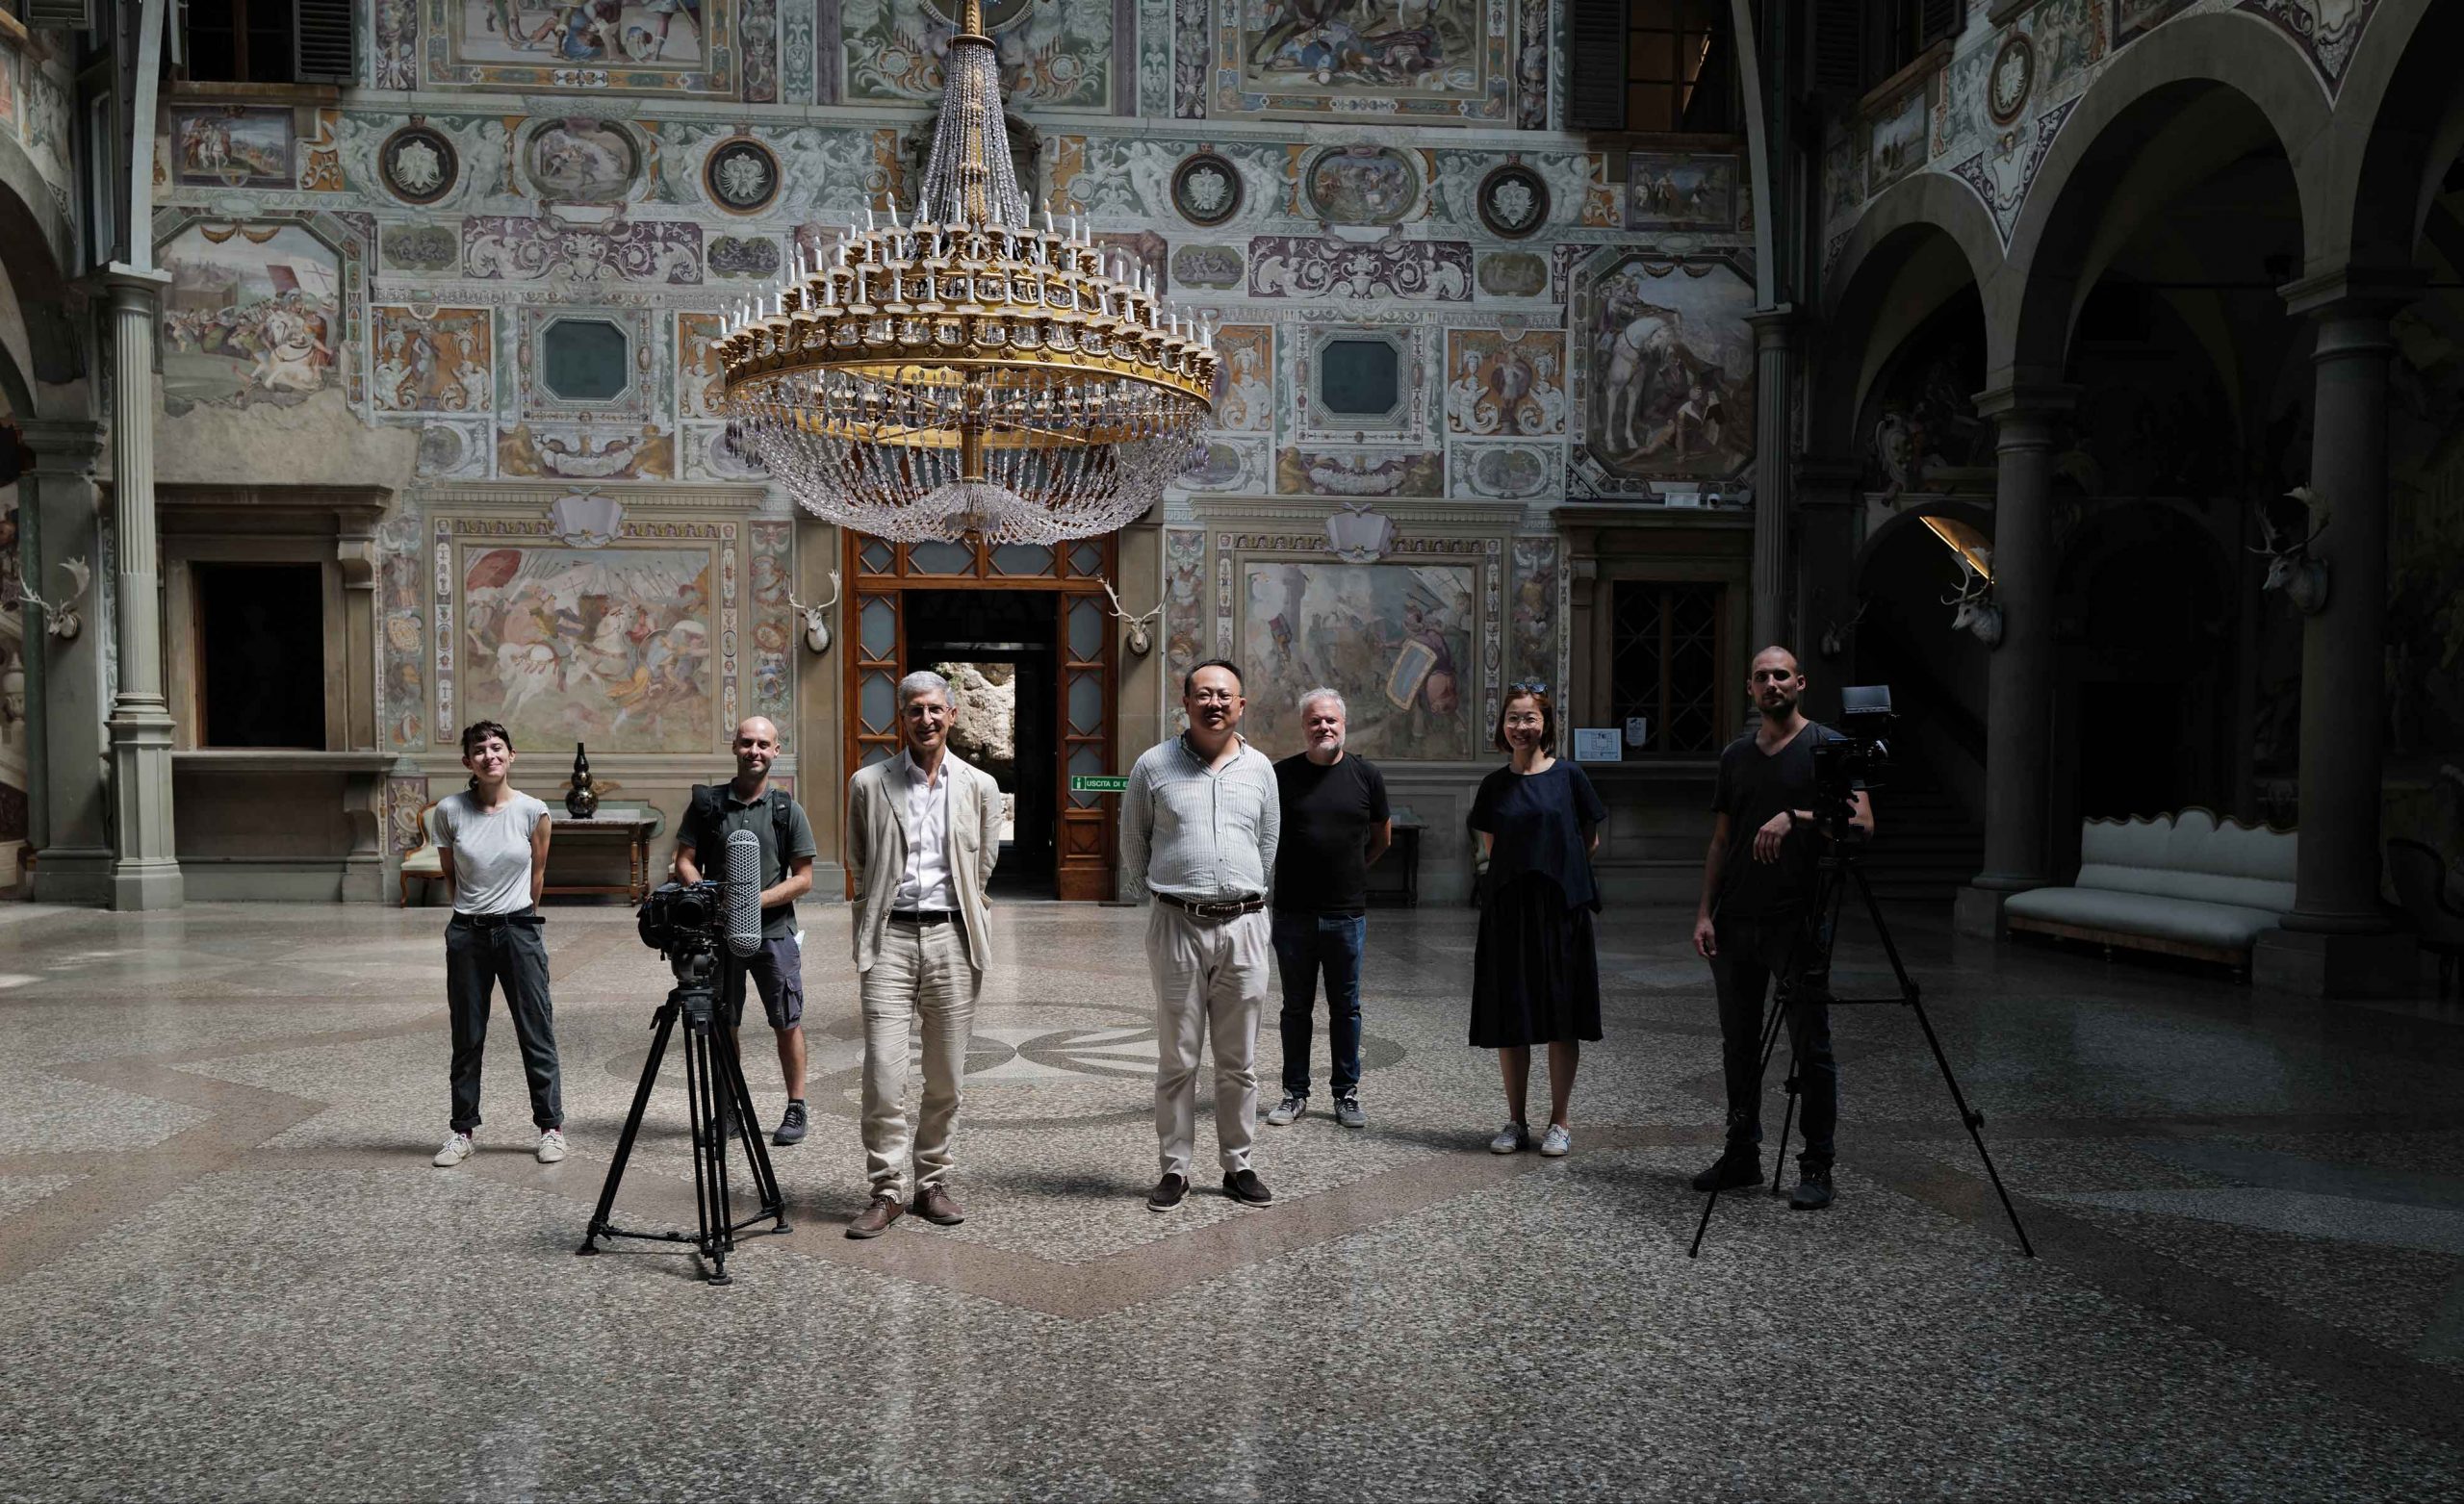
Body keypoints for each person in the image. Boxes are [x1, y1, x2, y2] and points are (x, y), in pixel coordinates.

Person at [1690, 646, 1874, 1211]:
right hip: (1736, 919)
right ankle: (1742, 1153)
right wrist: (1703, 912)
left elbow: (1863, 824)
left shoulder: (1829, 748)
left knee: (1809, 1046)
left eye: (1781, 675)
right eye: (1762, 677)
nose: (1772, 684)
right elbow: (1722, 840)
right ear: (1751, 688)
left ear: (1800, 682)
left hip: (1797, 919)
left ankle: (1817, 1164)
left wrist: (1797, 817)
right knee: (1739, 1046)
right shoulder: (1736, 756)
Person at [842, 671, 1005, 1238]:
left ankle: (931, 1181)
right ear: (902, 717)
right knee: (884, 1072)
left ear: (951, 715)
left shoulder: (980, 786)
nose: (926, 719)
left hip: (954, 939)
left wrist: (961, 904)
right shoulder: (869, 782)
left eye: (936, 709)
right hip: (888, 939)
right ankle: (886, 1189)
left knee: (946, 1076)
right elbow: (859, 860)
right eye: (915, 710)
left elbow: (983, 861)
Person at [1120, 659, 1281, 1212]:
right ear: (1185, 703)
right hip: (1177, 924)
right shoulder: (1153, 765)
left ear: (1241, 706)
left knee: (1239, 1061)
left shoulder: (1261, 769)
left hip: (1244, 925)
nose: (1215, 703)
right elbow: (1134, 842)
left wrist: (1244, 898)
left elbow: (1267, 846)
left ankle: (1238, 1164)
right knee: (1179, 1057)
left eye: (1226, 696)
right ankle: (1175, 1169)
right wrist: (1168, 896)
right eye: (1204, 694)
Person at [1467, 687, 1605, 1158]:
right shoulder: (1493, 785)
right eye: (1512, 719)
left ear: (1545, 723)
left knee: (1561, 1015)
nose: (1520, 727)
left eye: (1529, 718)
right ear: (1501, 726)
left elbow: (1590, 838)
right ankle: (1516, 1121)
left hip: (1560, 907)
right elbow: (1489, 845)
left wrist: (1555, 867)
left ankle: (1560, 1121)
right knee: (1513, 1015)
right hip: (1510, 909)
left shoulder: (1569, 776)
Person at [675, 716, 817, 1148]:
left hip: (774, 933)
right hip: (719, 937)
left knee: (786, 1021)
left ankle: (796, 1107)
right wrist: (703, 894)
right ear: (734, 747)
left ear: (776, 751)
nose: (754, 751)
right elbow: (684, 860)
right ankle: (730, 1109)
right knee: (724, 1023)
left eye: (763, 744)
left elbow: (804, 877)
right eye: (746, 743)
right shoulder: (708, 805)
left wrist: (755, 901)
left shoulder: (785, 809)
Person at [431, 721, 567, 1168]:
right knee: (467, 1034)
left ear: (511, 756)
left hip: (519, 929)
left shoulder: (534, 811)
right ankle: (462, 1131)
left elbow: (538, 874)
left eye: (497, 748)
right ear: (467, 760)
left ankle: (550, 1128)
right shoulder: (449, 811)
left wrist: (517, 918)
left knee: (536, 1029)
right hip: (467, 933)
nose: (489, 756)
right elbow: (451, 873)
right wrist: (471, 913)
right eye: (479, 750)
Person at [1265, 688, 1391, 1130]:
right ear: (1304, 726)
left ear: (1344, 725)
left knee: (1346, 1007)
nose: (1324, 727)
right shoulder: (1280, 776)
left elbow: (1382, 838)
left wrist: (1352, 870)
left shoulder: (1366, 775)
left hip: (1346, 914)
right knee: (1295, 1008)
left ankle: (1346, 1094)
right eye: (1315, 721)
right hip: (1294, 914)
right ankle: (1294, 1093)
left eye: (1331, 721)